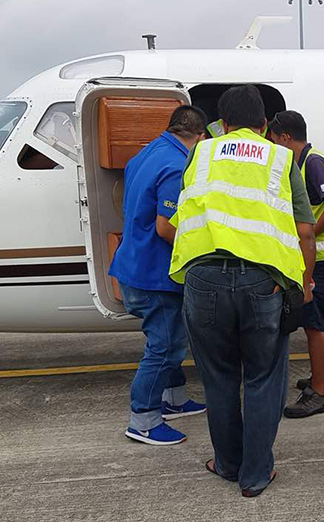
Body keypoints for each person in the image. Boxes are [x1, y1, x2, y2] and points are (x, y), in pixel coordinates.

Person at [169, 85, 316, 498]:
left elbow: (184, 212)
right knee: (263, 378)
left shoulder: (200, 153)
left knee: (218, 379)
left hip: (203, 279)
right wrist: (303, 285)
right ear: (264, 124)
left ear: (223, 124)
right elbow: (305, 231)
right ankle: (255, 474)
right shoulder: (280, 158)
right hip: (261, 282)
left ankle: (228, 463)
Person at [108, 105, 208, 446]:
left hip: (133, 264)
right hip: (155, 274)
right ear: (199, 137)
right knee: (165, 347)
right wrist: (202, 246)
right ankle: (144, 420)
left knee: (170, 336)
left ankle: (174, 400)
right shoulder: (177, 165)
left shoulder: (145, 154)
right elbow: (166, 228)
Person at [269, 111, 324, 418]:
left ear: (285, 138)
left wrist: (308, 236)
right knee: (319, 322)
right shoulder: (300, 163)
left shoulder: (313, 163)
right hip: (323, 257)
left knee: (314, 325)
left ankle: (318, 394)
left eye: (274, 140)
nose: (272, 146)